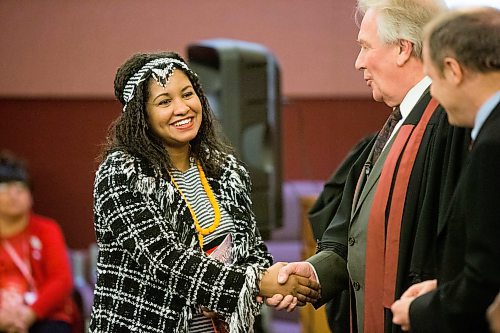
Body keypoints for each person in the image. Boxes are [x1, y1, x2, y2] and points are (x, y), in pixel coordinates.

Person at [268, 0, 471, 332]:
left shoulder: (449, 126)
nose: (358, 62)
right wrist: (317, 273)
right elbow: (357, 231)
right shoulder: (397, 125)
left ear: (403, 49)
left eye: (365, 47)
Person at [89, 51, 320, 333]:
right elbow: (164, 260)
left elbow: (252, 252)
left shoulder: (225, 168)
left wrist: (274, 285)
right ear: (142, 115)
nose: (182, 108)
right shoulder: (121, 173)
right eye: (164, 101)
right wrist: (259, 282)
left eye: (188, 94)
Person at [391, 7, 500, 332]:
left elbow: (487, 275)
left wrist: (422, 311)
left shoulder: (493, 145)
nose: (434, 93)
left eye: (433, 80)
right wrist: (445, 288)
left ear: (453, 70)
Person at [0, 151, 75, 333]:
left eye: (20, 188)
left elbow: (61, 280)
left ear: (31, 196)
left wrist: (28, 315)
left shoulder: (46, 229)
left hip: (45, 316)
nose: (13, 195)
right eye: (4, 188)